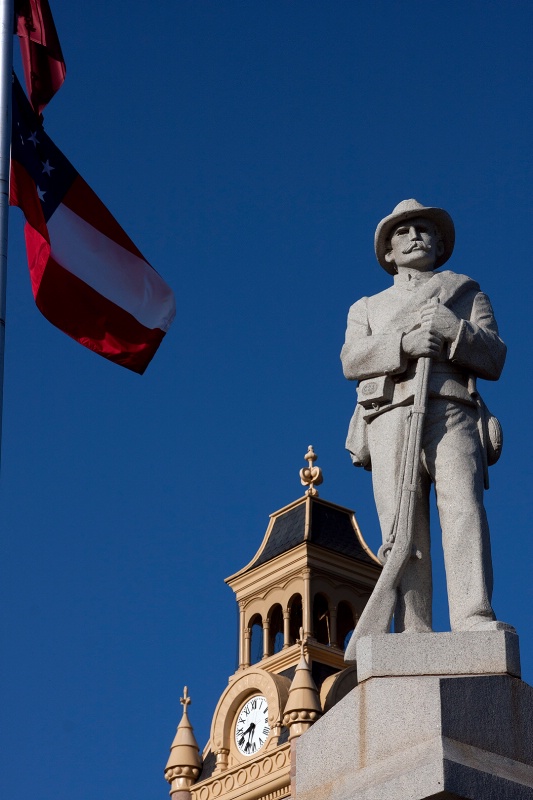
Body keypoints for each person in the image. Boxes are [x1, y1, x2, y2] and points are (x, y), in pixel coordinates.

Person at [341, 199, 510, 633]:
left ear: (439, 243)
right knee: (403, 527)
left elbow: (494, 356)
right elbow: (351, 359)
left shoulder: (467, 293)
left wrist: (452, 329)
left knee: (463, 509)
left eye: (423, 229)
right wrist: (404, 343)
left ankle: (473, 614)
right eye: (403, 231)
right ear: (389, 253)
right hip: (389, 412)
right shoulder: (366, 307)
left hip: (452, 407)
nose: (414, 235)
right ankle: (413, 627)